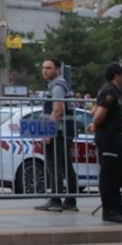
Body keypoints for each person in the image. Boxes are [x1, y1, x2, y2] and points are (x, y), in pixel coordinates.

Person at [90, 62, 122, 224]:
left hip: (115, 138)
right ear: (117, 76)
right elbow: (98, 114)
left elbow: (94, 109)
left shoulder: (113, 91)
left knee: (118, 173)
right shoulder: (109, 91)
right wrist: (95, 124)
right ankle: (109, 211)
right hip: (108, 138)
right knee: (109, 175)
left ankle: (118, 206)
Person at [36, 57, 78, 211]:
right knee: (66, 166)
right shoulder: (59, 85)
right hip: (64, 131)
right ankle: (71, 200)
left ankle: (55, 200)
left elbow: (58, 110)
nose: (45, 71)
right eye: (43, 68)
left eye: (49, 68)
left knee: (53, 166)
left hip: (59, 132)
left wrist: (48, 131)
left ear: (58, 69)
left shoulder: (58, 86)